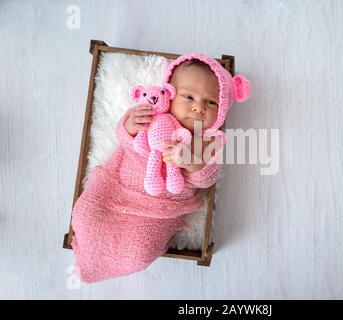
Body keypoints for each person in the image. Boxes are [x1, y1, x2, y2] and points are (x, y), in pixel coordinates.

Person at [71, 52, 250, 283]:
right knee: (84, 215)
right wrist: (129, 125)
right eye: (189, 97)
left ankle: (113, 261)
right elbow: (125, 141)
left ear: (222, 108)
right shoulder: (152, 113)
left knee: (139, 251)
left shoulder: (207, 141)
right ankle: (86, 253)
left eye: (211, 102)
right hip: (116, 189)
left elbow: (208, 177)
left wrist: (190, 162)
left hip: (158, 211)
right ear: (171, 94)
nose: (198, 108)